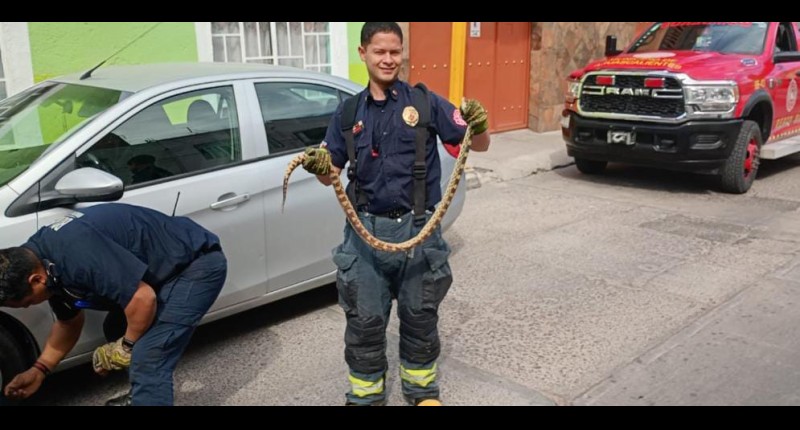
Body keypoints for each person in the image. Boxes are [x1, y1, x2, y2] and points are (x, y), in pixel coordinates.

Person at [302, 22, 491, 406]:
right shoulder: (347, 112)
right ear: (363, 54)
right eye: (380, 52)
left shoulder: (425, 103)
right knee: (364, 322)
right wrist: (320, 166)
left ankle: (422, 393)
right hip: (365, 233)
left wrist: (480, 126)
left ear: (402, 54)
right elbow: (330, 177)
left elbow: (479, 145)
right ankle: (366, 396)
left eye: (395, 52)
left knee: (420, 317)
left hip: (418, 229)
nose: (388, 59)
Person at [0, 203, 227, 406]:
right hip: (158, 275)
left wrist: (125, 348)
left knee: (148, 354)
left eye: (27, 302)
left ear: (35, 280)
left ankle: (148, 396)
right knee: (117, 328)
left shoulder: (76, 255)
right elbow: (69, 323)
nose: (29, 307)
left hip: (194, 267)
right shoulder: (40, 263)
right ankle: (144, 396)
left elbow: (142, 298)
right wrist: (39, 370)